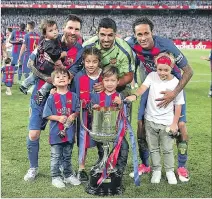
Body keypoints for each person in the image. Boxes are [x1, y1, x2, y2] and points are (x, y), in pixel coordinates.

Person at [126, 17, 193, 182]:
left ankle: (181, 166)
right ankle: (146, 164)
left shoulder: (165, 45)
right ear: (135, 35)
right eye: (139, 34)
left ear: (152, 33)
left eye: (146, 33)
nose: (143, 38)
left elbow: (188, 71)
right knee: (141, 124)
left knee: (180, 126)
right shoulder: (130, 43)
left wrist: (174, 92)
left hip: (172, 86)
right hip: (150, 83)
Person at [23, 14, 83, 182]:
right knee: (34, 134)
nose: (73, 31)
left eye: (76, 29)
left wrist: (59, 79)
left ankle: (65, 170)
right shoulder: (47, 41)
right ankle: (33, 167)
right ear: (63, 27)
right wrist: (48, 78)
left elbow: (72, 73)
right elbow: (30, 64)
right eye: (70, 27)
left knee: (65, 136)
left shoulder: (80, 50)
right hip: (41, 94)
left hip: (65, 99)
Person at [126, 52, 185, 184]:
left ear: (171, 68)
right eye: (160, 69)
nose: (162, 72)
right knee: (153, 148)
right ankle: (157, 170)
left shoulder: (176, 83)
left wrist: (175, 123)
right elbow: (142, 88)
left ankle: (169, 171)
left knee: (168, 149)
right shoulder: (152, 76)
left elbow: (179, 105)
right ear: (156, 67)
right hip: (150, 120)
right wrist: (135, 95)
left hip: (167, 123)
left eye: (166, 70)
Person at [42, 68, 81, 188]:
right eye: (58, 77)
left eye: (64, 76)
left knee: (68, 155)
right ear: (53, 82)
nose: (62, 78)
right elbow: (46, 114)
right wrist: (58, 118)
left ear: (69, 80)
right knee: (56, 156)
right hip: (56, 133)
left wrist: (74, 115)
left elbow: (78, 110)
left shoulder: (73, 96)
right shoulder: (51, 97)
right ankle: (55, 177)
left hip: (69, 133)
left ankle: (68, 175)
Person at [71, 47, 103, 182]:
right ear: (83, 61)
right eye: (88, 61)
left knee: (102, 139)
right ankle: (81, 168)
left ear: (99, 62)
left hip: (101, 114)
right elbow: (74, 95)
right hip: (83, 115)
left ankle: (103, 163)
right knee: (83, 139)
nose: (91, 65)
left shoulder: (103, 76)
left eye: (94, 62)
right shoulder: (79, 76)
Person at [82, 17, 135, 98]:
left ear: (115, 34)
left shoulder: (125, 49)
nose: (106, 39)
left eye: (110, 35)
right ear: (97, 33)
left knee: (121, 101)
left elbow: (129, 76)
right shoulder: (87, 46)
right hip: (94, 84)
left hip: (119, 85)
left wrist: (108, 85)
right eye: (102, 35)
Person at [91, 65, 129, 175]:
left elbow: (126, 113)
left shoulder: (120, 96)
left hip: (116, 130)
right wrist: (94, 107)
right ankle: (103, 163)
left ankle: (119, 169)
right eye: (106, 80)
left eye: (113, 80)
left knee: (124, 146)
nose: (109, 83)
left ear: (118, 81)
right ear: (102, 81)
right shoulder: (97, 96)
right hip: (101, 130)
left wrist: (121, 104)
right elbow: (90, 111)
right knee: (102, 147)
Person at [19, 20, 66, 102]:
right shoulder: (50, 44)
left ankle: (24, 85)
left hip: (39, 64)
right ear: (45, 34)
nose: (55, 32)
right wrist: (63, 54)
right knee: (53, 79)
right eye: (51, 31)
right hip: (46, 67)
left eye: (56, 29)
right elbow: (55, 56)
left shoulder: (45, 41)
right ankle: (41, 92)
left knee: (34, 76)